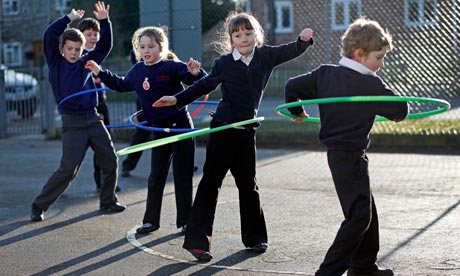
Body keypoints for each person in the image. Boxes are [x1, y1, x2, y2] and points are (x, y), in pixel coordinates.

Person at [153, 11, 314, 262]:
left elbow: (290, 50)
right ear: (231, 40)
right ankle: (197, 242)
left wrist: (303, 41)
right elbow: (203, 85)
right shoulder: (224, 63)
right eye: (238, 35)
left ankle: (255, 237)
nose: (244, 38)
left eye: (248, 33)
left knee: (248, 185)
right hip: (223, 130)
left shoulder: (265, 56)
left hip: (246, 133)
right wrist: (177, 99)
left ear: (257, 35)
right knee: (210, 183)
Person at [283, 18, 409, 276]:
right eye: (379, 57)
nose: (381, 64)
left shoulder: (324, 74)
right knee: (359, 216)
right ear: (360, 54)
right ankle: (328, 272)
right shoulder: (370, 85)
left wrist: (296, 109)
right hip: (350, 157)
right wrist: (381, 88)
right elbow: (401, 109)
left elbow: (291, 86)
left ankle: (363, 266)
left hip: (338, 156)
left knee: (366, 210)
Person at [86, 26, 206, 234]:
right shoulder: (138, 71)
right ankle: (151, 220)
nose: (146, 51)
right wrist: (99, 72)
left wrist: (196, 73)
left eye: (151, 46)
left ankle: (185, 221)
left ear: (162, 47)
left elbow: (196, 82)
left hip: (180, 129)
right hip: (158, 130)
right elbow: (121, 84)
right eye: (142, 47)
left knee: (183, 175)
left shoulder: (172, 66)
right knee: (155, 177)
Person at [30, 1, 126, 222]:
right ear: (61, 48)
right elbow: (48, 35)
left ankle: (108, 201)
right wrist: (68, 19)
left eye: (78, 49)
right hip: (72, 122)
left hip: (92, 118)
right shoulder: (55, 63)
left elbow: (104, 46)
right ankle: (39, 204)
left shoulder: (86, 63)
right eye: (70, 49)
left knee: (110, 159)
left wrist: (104, 21)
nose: (74, 53)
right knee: (68, 169)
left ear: (83, 50)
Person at [76, 17, 120, 193]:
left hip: (100, 103)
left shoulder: (97, 53)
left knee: (104, 146)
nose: (93, 37)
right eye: (89, 34)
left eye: (96, 34)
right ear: (81, 36)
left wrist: (105, 22)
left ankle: (103, 183)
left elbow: (106, 45)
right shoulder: (79, 55)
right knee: (77, 152)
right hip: (85, 107)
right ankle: (63, 180)